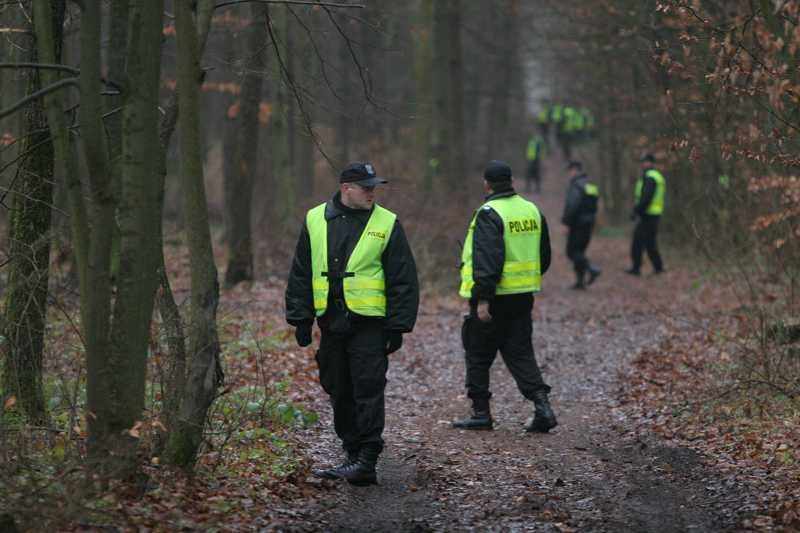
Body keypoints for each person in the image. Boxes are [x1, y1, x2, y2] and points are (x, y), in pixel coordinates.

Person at [285, 162, 419, 485]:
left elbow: (403, 279)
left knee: (368, 388)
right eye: (366, 187)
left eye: (374, 187)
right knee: (337, 388)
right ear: (346, 188)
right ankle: (352, 453)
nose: (373, 192)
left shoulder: (386, 223)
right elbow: (301, 272)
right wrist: (301, 319)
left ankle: (367, 458)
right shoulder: (315, 219)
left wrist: (397, 326)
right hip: (331, 323)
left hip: (369, 325)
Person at [452, 160, 557, 433]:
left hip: (493, 298)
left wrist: (484, 299)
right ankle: (542, 407)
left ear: (486, 184)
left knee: (477, 353)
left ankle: (480, 414)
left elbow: (488, 259)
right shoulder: (531, 209)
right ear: (511, 181)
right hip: (522, 297)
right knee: (520, 352)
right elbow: (544, 256)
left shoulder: (489, 212)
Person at [562, 161, 601, 289]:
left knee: (571, 251)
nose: (569, 174)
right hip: (589, 223)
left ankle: (592, 269)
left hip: (577, 223)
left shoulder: (576, 185)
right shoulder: (590, 185)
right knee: (580, 251)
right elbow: (595, 205)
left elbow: (572, 205)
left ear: (574, 170)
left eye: (570, 171)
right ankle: (580, 282)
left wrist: (566, 222)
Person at [627, 153, 665, 275]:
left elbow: (645, 198)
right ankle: (658, 267)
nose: (643, 164)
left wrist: (636, 211)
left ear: (651, 163)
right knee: (650, 242)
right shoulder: (654, 176)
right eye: (643, 162)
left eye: (645, 162)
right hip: (652, 214)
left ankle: (636, 268)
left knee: (638, 242)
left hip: (647, 215)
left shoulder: (650, 177)